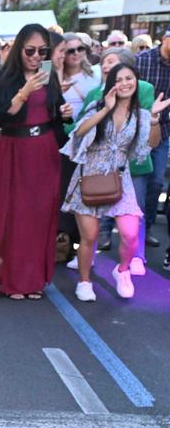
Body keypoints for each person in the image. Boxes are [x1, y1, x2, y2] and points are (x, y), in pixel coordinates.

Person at [0, 24, 72, 300]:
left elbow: (56, 116)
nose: (36, 56)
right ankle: (13, 281)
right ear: (19, 49)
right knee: (16, 215)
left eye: (43, 51)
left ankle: (34, 280)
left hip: (45, 151)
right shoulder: (3, 77)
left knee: (41, 215)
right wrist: (25, 91)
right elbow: (3, 118)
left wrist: (64, 113)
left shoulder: (49, 76)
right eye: (30, 50)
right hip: (15, 150)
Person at [61, 64, 167, 301]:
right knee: (90, 236)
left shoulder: (141, 114)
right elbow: (79, 132)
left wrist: (154, 120)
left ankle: (122, 271)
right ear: (112, 84)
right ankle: (85, 281)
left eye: (129, 78)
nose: (125, 83)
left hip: (120, 178)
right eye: (119, 79)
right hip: (89, 176)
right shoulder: (98, 106)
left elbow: (151, 144)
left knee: (130, 234)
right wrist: (105, 109)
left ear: (136, 82)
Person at [135, 33, 170, 257]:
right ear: (165, 38)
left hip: (163, 130)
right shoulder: (143, 59)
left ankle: (145, 229)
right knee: (128, 183)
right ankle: (108, 230)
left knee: (156, 183)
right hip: (136, 132)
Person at [61, 33, 100, 119]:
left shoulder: (97, 72)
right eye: (71, 51)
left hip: (92, 127)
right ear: (62, 53)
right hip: (68, 129)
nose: (76, 53)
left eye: (80, 49)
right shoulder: (55, 78)